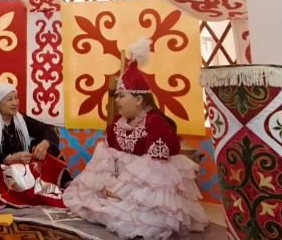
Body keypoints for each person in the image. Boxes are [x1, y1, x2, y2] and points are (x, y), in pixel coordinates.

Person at [62, 39, 208, 239]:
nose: (116, 101)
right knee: (87, 199)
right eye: (116, 96)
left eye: (121, 96)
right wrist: (108, 185)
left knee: (146, 221)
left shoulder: (155, 123)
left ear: (138, 100)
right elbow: (107, 162)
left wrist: (121, 192)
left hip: (148, 192)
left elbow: (156, 176)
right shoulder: (117, 124)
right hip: (120, 183)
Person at [0, 82, 62, 190]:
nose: (15, 103)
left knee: (50, 150)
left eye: (16, 98)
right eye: (10, 99)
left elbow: (51, 129)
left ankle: (63, 181)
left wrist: (45, 144)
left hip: (23, 171)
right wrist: (8, 159)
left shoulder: (21, 119)